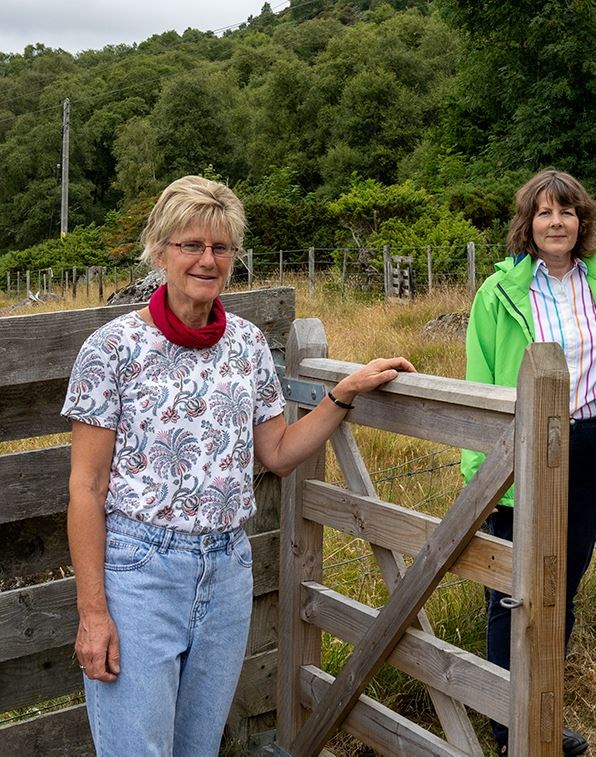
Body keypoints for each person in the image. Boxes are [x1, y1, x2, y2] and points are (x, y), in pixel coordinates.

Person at [63, 175, 414, 756]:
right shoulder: (112, 349)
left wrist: (343, 393)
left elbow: (275, 451)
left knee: (198, 747)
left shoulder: (247, 345)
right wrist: (92, 611)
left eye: (221, 247)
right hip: (140, 570)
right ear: (159, 251)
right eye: (191, 245)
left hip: (226, 569)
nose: (207, 259)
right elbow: (86, 485)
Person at [461, 169, 596, 755]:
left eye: (568, 212)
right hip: (523, 451)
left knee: (561, 585)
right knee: (512, 587)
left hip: (592, 446)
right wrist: (483, 479)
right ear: (528, 224)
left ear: (582, 222)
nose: (557, 222)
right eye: (545, 212)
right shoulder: (497, 295)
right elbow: (480, 383)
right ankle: (508, 724)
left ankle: (542, 708)